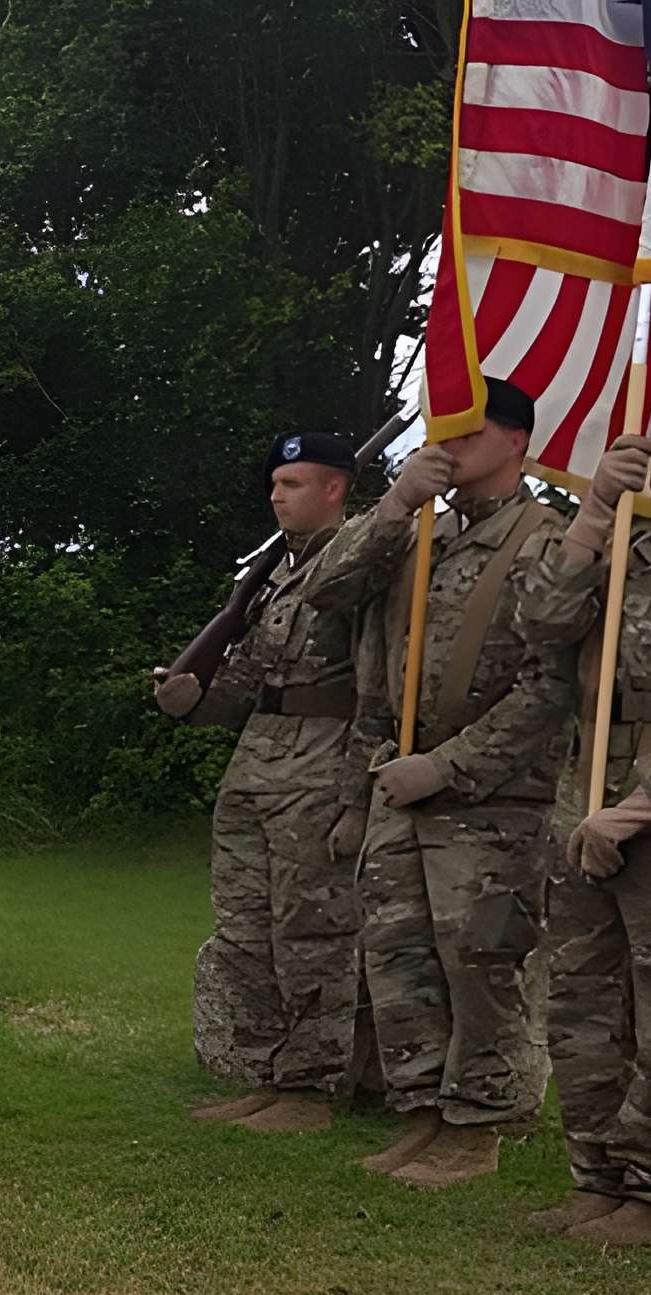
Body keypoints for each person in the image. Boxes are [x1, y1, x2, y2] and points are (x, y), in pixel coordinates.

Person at [299, 381, 571, 1187]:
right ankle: (421, 1109)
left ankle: (478, 1124)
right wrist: (390, 509)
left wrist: (447, 768)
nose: (449, 442)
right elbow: (325, 593)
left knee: (480, 958)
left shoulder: (546, 541)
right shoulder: (420, 536)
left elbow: (550, 687)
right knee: (398, 953)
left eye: (471, 428)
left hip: (491, 793)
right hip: (397, 775)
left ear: (518, 441)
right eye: (441, 427)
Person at [505, 391, 651, 1247]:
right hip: (590, 792)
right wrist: (595, 511)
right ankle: (595, 1177)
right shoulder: (626, 550)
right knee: (581, 1001)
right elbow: (542, 624)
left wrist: (639, 812)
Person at [157, 431, 371, 1132]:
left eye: (294, 484)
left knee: (311, 931)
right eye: (276, 485)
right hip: (257, 763)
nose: (276, 496)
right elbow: (248, 682)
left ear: (335, 488)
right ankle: (264, 1075)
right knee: (245, 931)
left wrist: (356, 794)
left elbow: (378, 684)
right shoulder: (274, 573)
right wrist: (194, 699)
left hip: (322, 760)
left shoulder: (360, 565)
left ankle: (310, 1089)